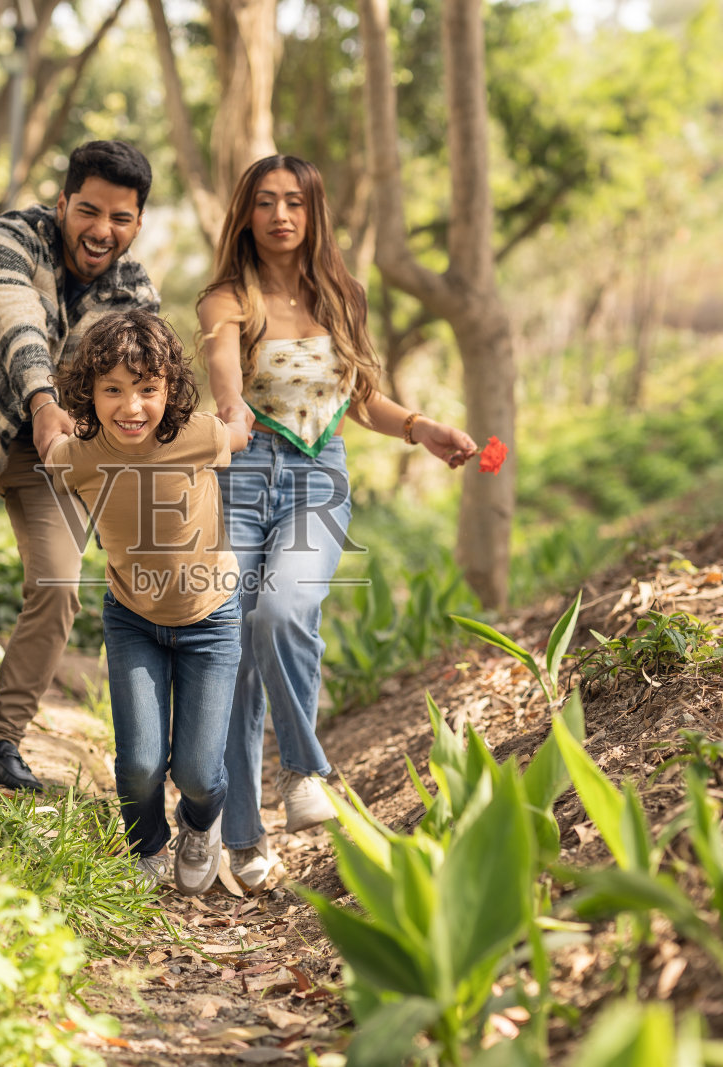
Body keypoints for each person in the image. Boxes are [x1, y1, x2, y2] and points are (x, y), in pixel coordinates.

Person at [197, 154, 478, 891]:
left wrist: (421, 427)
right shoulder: (228, 297)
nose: (281, 215)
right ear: (247, 214)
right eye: (265, 202)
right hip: (243, 476)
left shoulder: (342, 295)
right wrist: (230, 410)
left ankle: (301, 771)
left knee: (280, 612)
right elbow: (223, 362)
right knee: (232, 642)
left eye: (295, 201)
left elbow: (363, 399)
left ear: (314, 213)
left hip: (318, 480)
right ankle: (244, 836)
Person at [0, 141, 159, 792]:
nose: (103, 230)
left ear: (136, 224)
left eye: (121, 218)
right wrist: (45, 401)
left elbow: (139, 390)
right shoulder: (8, 239)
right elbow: (18, 323)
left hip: (52, 459)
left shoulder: (135, 292)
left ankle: (2, 739)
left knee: (59, 585)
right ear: (62, 204)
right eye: (89, 210)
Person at [43, 310, 248, 894]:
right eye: (113, 390)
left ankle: (199, 825)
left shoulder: (196, 435)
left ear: (169, 390)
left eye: (148, 390)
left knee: (200, 774)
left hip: (211, 621)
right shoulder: (79, 455)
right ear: (90, 394)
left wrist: (239, 414)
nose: (131, 407)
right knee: (138, 765)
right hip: (132, 619)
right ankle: (148, 844)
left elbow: (236, 432)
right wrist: (45, 413)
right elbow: (53, 446)